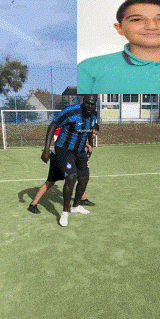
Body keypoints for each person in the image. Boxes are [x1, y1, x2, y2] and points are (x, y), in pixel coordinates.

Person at [28, 95, 98, 227]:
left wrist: (90, 144)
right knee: (71, 177)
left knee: (84, 178)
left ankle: (76, 206)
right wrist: (46, 149)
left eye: (93, 104)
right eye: (88, 103)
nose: (90, 106)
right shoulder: (70, 112)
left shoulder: (94, 114)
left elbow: (89, 129)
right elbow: (52, 126)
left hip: (80, 151)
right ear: (83, 102)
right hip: (64, 149)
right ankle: (65, 213)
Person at [28, 126, 99, 214]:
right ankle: (33, 204)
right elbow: (63, 143)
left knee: (80, 176)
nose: (94, 135)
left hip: (70, 156)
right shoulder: (66, 128)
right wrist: (46, 150)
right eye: (93, 132)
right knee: (51, 181)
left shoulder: (79, 128)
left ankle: (83, 199)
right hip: (59, 156)